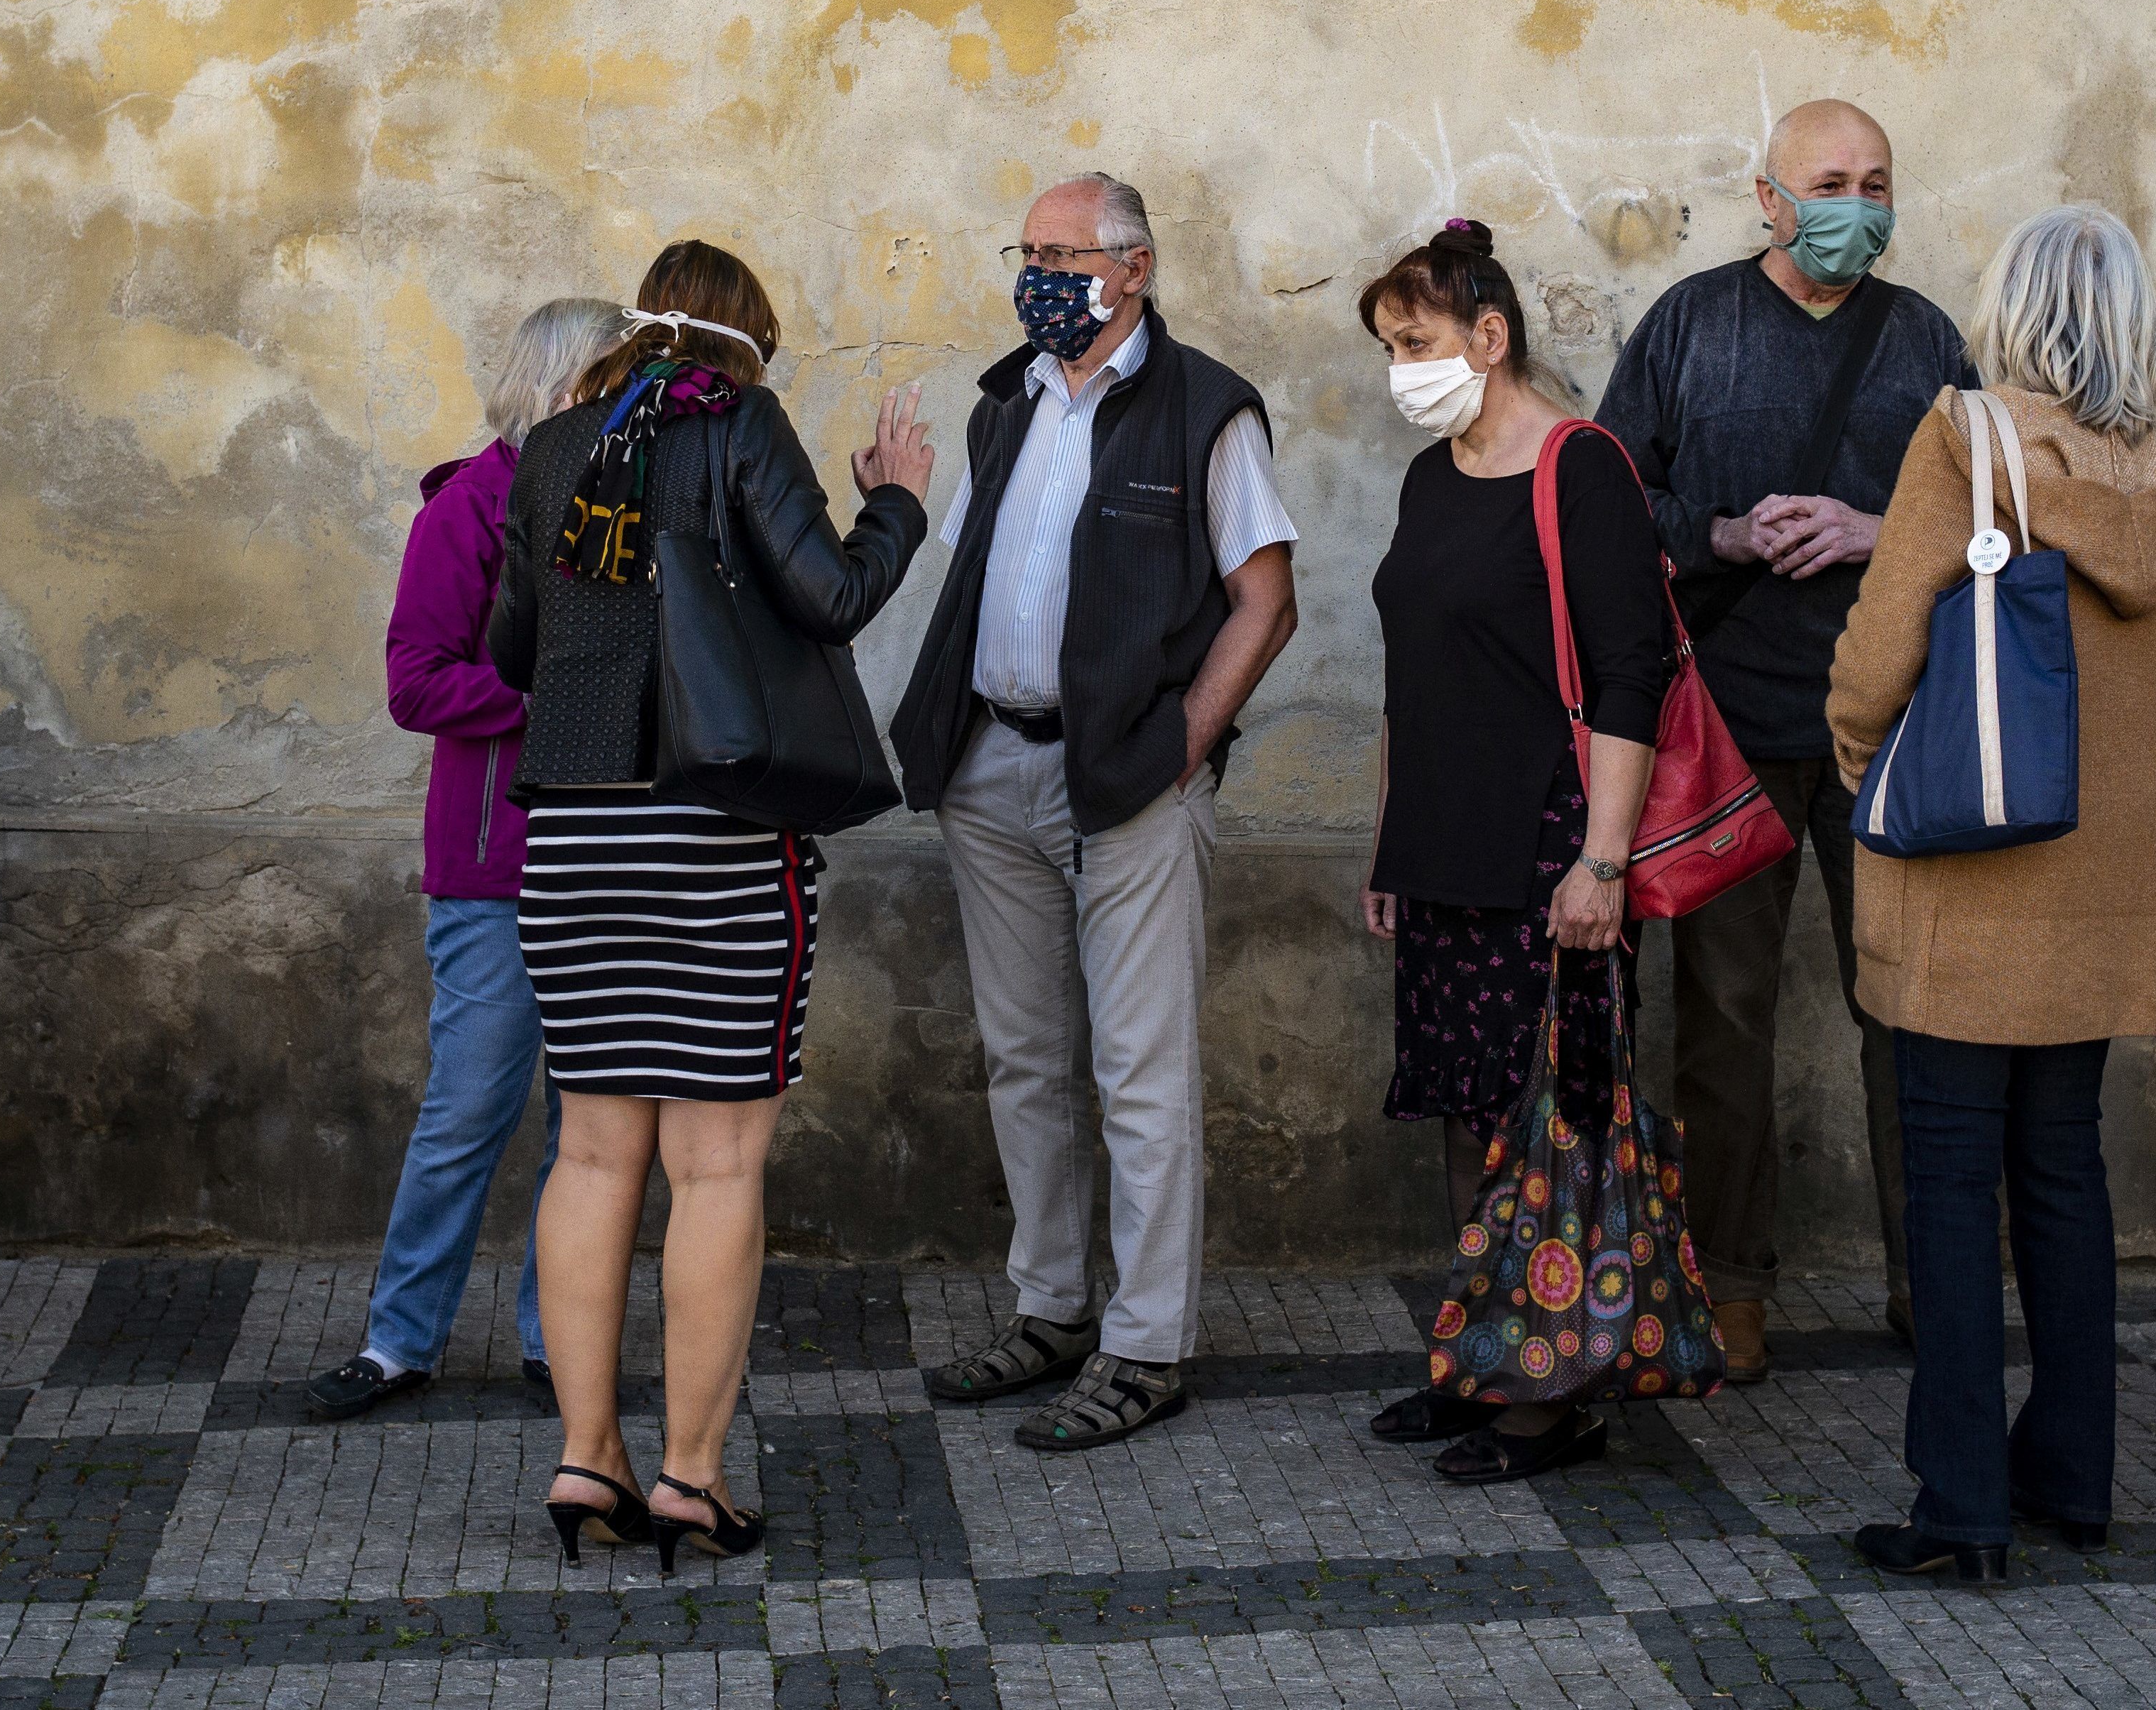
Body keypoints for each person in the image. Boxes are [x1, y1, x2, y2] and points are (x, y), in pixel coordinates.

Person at [487, 241, 932, 1572]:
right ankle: (688, 1478)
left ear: (636, 333)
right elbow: (835, 596)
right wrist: (896, 502)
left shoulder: (555, 446)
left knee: (588, 1154)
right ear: (747, 346)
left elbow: (513, 646)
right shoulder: (739, 421)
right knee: (717, 1163)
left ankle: (584, 1460)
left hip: (572, 836)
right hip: (718, 838)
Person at [891, 171, 1300, 1452]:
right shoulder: (1003, 400)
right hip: (990, 768)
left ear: (1134, 267)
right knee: (1024, 1059)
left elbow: (1266, 600)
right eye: (1029, 249)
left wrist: (1184, 743)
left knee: (1139, 1067)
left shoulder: (1205, 407)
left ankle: (1146, 1341)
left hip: (1125, 777)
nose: (1040, 272)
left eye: (1065, 251)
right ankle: (1053, 1306)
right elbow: (975, 572)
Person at [1827, 204, 2156, 1586]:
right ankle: (2072, 1475)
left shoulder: (1967, 438)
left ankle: (1962, 1504)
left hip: (1969, 878)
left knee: (1947, 1188)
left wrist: (1868, 767)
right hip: (2092, 881)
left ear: (2013, 309)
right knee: (2062, 1177)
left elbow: (1879, 646)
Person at [1594, 97, 1976, 1374]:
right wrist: (1724, 534)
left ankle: (1938, 1284)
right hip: (1730, 730)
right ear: (1768, 198)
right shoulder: (1691, 326)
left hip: (1894, 729)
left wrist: (1882, 535)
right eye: (1827, 181)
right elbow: (1608, 499)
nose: (1851, 205)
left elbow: (1993, 520)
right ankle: (1728, 1285)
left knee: (1910, 1015)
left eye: (1874, 182)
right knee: (1723, 1021)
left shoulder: (1925, 338)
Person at [1355, 221, 1675, 1484]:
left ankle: (1551, 1399)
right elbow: (1406, 677)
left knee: (1549, 1123)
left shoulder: (1581, 468)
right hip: (1440, 843)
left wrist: (1602, 864)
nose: (1401, 368)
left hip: (1548, 850)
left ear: (1490, 340)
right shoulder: (1433, 476)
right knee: (1460, 1114)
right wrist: (1388, 841)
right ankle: (1480, 1358)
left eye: (1417, 343)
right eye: (1388, 347)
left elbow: (1629, 677)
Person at [305, 300, 618, 1423]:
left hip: (608, 858)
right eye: (613, 379)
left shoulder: (627, 509)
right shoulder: (470, 510)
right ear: (563, 386)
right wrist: (548, 709)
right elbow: (415, 680)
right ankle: (399, 1341)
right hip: (495, 866)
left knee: (587, 1124)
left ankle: (557, 1338)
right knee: (470, 1111)